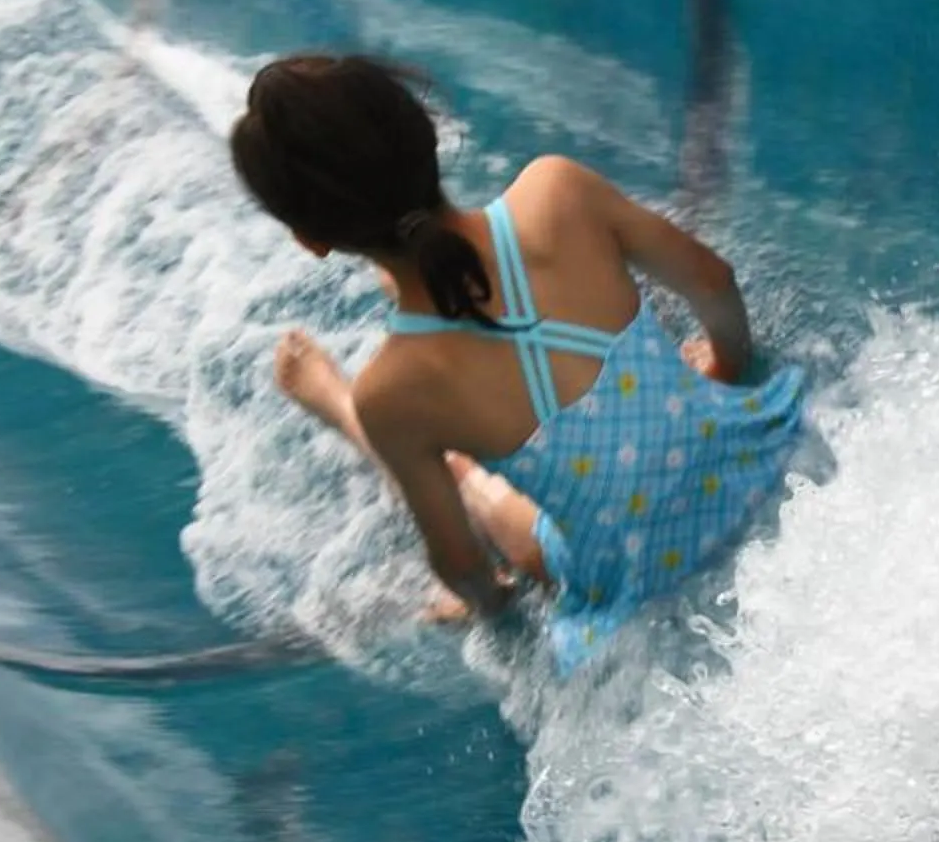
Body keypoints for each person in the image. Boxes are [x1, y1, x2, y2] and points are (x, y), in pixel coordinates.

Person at [229, 53, 805, 665]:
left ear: (311, 240)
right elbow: (714, 282)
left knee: (459, 473)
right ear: (428, 133)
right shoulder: (559, 191)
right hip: (746, 455)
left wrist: (486, 604)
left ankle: (339, 404)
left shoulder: (396, 390)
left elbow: (462, 564)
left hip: (632, 575)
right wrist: (724, 366)